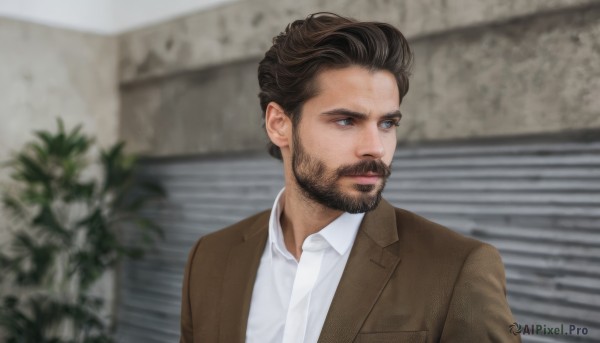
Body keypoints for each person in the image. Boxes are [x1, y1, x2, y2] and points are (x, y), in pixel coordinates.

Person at [180, 12, 520, 343]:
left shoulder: (458, 269)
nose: (375, 148)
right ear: (279, 124)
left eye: (387, 123)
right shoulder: (210, 257)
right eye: (346, 121)